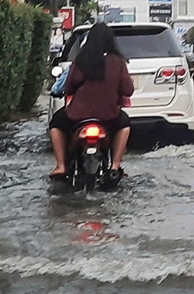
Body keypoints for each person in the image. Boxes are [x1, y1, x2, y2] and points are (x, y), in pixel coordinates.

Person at [48, 22, 134, 183]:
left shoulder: (81, 60)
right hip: (109, 115)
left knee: (56, 124)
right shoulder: (118, 62)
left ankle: (60, 165)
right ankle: (115, 165)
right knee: (124, 124)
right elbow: (127, 90)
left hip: (77, 115)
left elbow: (69, 87)